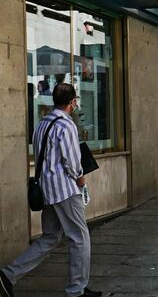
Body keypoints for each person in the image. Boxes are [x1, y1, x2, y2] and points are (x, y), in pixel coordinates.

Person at [0, 83, 102, 297]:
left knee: (50, 237)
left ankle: (7, 275)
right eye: (75, 101)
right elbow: (72, 163)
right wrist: (81, 181)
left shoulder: (43, 123)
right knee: (79, 237)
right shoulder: (66, 125)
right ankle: (77, 290)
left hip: (47, 190)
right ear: (72, 102)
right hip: (65, 190)